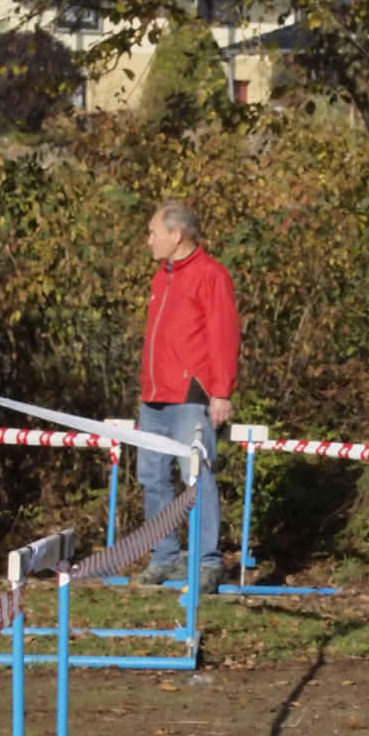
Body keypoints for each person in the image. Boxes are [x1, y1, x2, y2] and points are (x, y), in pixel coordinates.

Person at [133, 200, 241, 591]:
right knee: (152, 478)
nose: (149, 240)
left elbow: (224, 333)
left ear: (175, 234)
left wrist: (221, 390)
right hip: (154, 397)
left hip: (191, 396)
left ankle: (207, 562)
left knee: (197, 477)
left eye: (153, 233)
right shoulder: (159, 279)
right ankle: (165, 557)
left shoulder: (211, 274)